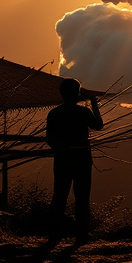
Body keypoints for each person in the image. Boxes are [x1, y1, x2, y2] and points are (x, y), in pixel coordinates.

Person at [46, 78, 103, 243]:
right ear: (76, 94)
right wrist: (93, 103)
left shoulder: (54, 113)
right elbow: (99, 125)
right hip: (82, 160)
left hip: (62, 160)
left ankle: (55, 234)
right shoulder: (83, 112)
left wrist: (61, 147)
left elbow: (49, 139)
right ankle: (82, 234)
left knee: (59, 196)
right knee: (82, 197)